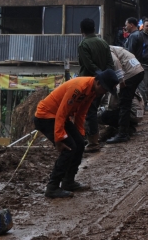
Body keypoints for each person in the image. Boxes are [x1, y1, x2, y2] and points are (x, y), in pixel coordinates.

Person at [34, 70, 119, 198]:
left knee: (79, 143)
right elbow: (61, 112)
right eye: (105, 89)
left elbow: (81, 114)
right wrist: (58, 138)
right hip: (46, 117)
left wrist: (80, 134)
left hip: (60, 117)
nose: (104, 93)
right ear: (97, 83)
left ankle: (68, 181)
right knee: (68, 147)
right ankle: (52, 187)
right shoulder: (78, 87)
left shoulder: (92, 92)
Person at [77, 18, 115, 153]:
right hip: (103, 83)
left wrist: (98, 76)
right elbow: (111, 64)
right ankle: (93, 137)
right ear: (94, 28)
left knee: (90, 111)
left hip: (89, 83)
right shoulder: (103, 43)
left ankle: (93, 142)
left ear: (81, 30)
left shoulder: (83, 45)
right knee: (94, 109)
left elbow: (88, 65)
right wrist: (105, 78)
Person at [106, 46, 145, 144]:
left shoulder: (107, 50)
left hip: (130, 74)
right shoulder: (116, 48)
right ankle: (127, 127)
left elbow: (115, 62)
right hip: (138, 70)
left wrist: (121, 79)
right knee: (126, 102)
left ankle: (123, 133)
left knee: (124, 104)